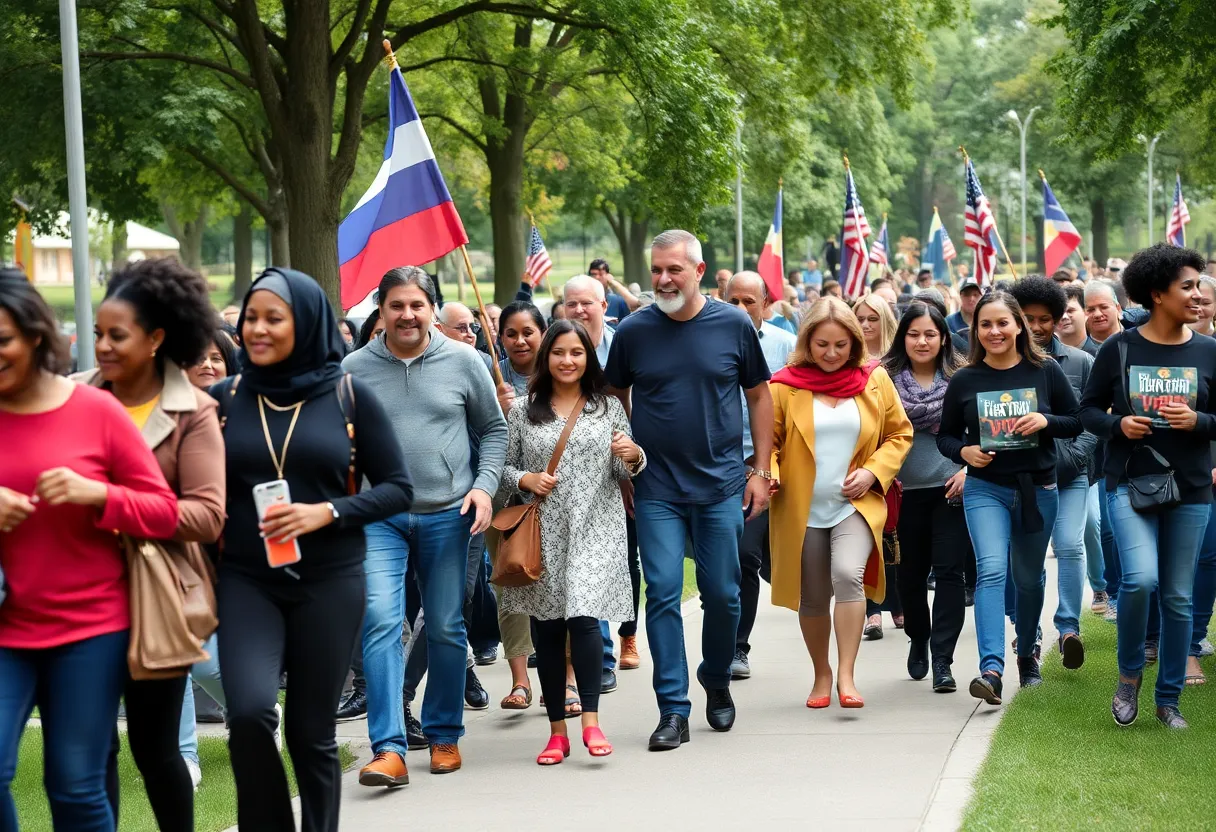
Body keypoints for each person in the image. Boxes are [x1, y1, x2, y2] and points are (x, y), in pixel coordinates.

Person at [210, 268, 412, 830]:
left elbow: (399, 488)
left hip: (330, 579)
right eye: (251, 317)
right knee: (249, 714)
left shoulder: (348, 394)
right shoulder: (222, 399)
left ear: (308, 323)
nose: (257, 329)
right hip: (246, 579)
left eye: (274, 318)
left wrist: (325, 512)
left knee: (309, 732)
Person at [0, 271, 180, 832]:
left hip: (90, 628)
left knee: (76, 786)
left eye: (1, 339)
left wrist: (100, 493)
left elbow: (165, 512)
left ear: (34, 335)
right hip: (5, 627)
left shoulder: (94, 410)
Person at [604, 230, 773, 751]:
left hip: (722, 483)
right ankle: (672, 708)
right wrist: (628, 461)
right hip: (655, 486)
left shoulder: (733, 323)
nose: (663, 279)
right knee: (661, 592)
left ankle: (716, 677)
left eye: (674, 269)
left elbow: (759, 397)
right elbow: (614, 396)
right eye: (657, 270)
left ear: (699, 271)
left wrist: (761, 471)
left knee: (723, 594)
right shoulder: (634, 331)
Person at [78, 259, 226, 828]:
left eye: (118, 335)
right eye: (98, 334)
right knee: (92, 751)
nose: (103, 347)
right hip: (78, 595)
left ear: (157, 338)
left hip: (156, 601)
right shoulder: (73, 396)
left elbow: (206, 516)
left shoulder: (194, 410)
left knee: (155, 749)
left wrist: (106, 501)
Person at [343, 267, 506, 783]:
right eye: (397, 305)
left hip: (449, 514)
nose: (407, 315)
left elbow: (494, 430)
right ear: (382, 310)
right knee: (381, 623)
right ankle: (387, 748)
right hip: (380, 518)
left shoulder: (464, 361)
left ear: (432, 308)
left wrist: (482, 487)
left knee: (443, 625)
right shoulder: (352, 368)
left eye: (417, 304)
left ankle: (443, 735)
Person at [1080, 244, 1216, 729]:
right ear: (1158, 294)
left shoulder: (1209, 351)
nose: (1198, 295)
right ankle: (1129, 676)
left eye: (1199, 286)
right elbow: (1088, 411)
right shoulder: (1120, 348)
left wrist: (1198, 420)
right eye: (1188, 286)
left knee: (1178, 596)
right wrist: (1119, 426)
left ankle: (1169, 699)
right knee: (1139, 580)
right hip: (1129, 483)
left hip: (1192, 489)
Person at [499, 320, 644, 764]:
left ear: (588, 358)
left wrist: (634, 456)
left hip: (596, 528)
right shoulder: (524, 410)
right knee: (548, 626)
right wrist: (525, 477)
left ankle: (591, 723)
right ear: (547, 357)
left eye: (576, 353)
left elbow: (626, 470)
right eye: (559, 352)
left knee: (583, 618)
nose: (567, 360)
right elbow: (502, 468)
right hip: (544, 533)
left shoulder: (608, 408)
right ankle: (556, 730)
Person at [937, 290, 1083, 706]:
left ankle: (1027, 656)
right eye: (986, 324)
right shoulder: (965, 379)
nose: (995, 331)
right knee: (990, 572)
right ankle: (991, 670)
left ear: (1019, 325)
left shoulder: (1046, 370)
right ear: (976, 331)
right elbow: (946, 436)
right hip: (986, 489)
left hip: (1038, 490)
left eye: (1003, 322)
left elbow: (1075, 421)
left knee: (1030, 576)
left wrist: (1045, 420)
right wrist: (964, 453)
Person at [769, 297, 913, 708]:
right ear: (807, 343)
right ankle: (821, 674)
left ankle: (847, 675)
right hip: (802, 509)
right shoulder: (783, 385)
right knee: (813, 594)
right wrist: (773, 475)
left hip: (856, 504)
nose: (831, 354)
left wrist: (872, 472)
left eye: (840, 345)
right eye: (822, 345)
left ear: (854, 342)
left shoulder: (875, 379)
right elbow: (771, 446)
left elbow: (898, 435)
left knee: (848, 574)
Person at [1009, 276, 1098, 669]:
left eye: (1045, 318)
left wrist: (1077, 457)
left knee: (1069, 545)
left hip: (1072, 474)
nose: (1037, 326)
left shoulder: (1080, 362)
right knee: (1024, 561)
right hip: (1023, 478)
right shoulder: (1002, 366)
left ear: (1058, 319)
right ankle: (1031, 630)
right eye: (1027, 318)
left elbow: (1095, 416)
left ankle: (1068, 628)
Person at [883, 302, 970, 692]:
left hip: (950, 490)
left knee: (951, 573)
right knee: (910, 576)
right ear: (903, 337)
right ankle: (919, 637)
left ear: (943, 338)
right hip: (901, 494)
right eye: (914, 333)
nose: (922, 341)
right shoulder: (883, 380)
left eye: (930, 334)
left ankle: (943, 658)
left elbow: (982, 430)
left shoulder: (962, 378)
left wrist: (969, 470)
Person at [565, 275, 641, 682]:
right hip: (572, 480)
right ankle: (602, 653)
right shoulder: (556, 348)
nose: (579, 311)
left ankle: (628, 633)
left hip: (622, 469)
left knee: (625, 558)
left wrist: (628, 470)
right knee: (583, 568)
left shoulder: (624, 345)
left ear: (603, 305)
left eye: (586, 303)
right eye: (571, 304)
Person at [723, 271, 796, 680]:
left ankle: (738, 647)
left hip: (761, 467)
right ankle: (722, 629)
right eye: (732, 299)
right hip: (715, 468)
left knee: (746, 556)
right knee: (723, 562)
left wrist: (770, 467)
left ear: (766, 304)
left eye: (749, 301)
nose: (740, 308)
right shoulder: (710, 338)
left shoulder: (786, 347)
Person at [486, 300, 544, 708]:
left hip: (551, 492)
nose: (519, 340)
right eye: (510, 333)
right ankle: (520, 681)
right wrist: (496, 407)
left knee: (559, 586)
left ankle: (568, 680)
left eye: (528, 332)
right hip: (502, 495)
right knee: (510, 584)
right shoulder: (487, 374)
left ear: (543, 333)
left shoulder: (561, 369)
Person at [854, 294, 896, 361]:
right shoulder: (849, 356)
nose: (864, 325)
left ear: (885, 321)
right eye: (860, 319)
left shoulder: (899, 355)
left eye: (872, 319)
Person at [1085, 280, 1123, 346]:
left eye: (1104, 307)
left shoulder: (1140, 339)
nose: (1097, 314)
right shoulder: (1078, 352)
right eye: (1090, 310)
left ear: (1118, 309)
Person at [1058, 285, 1094, 354]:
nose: (1064, 317)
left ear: (1086, 312)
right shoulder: (1044, 356)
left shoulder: (1100, 354)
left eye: (1070, 311)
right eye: (1059, 312)